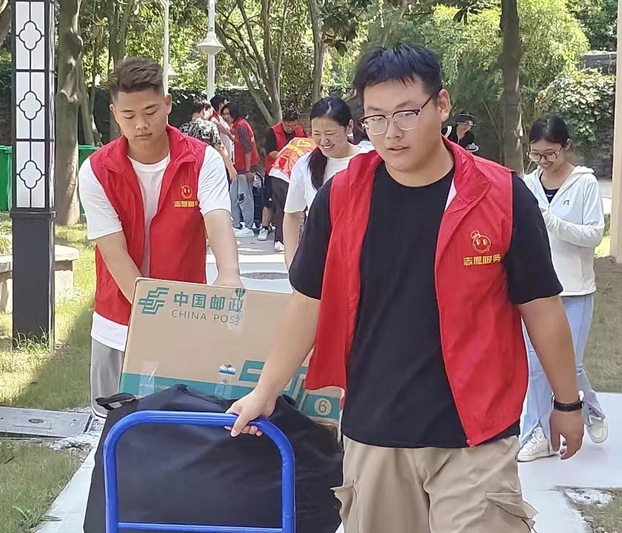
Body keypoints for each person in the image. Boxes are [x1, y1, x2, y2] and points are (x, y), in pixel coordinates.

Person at [227, 43, 585, 533]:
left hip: (476, 434)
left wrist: (567, 403)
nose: (390, 133)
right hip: (376, 430)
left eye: (406, 114)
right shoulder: (341, 197)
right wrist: (265, 391)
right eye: (375, 118)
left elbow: (541, 307)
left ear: (441, 105)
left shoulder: (501, 194)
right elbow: (308, 302)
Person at [78, 57, 242, 420]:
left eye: (150, 111)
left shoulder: (202, 160)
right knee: (113, 429)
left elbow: (217, 219)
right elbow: (114, 253)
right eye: (129, 115)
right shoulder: (96, 171)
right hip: (117, 324)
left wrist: (229, 273)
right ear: (114, 113)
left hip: (185, 318)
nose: (141, 124)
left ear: (167, 104)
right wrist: (153, 319)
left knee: (180, 428)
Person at [518, 114, 608, 462]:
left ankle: (591, 409)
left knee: (571, 366)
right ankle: (537, 433)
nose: (543, 161)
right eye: (537, 154)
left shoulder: (584, 183)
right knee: (537, 367)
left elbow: (594, 235)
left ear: (566, 147)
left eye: (550, 153)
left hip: (575, 289)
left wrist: (552, 221)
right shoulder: (528, 184)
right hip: (537, 290)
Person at [283, 97, 371, 267]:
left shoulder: (370, 160)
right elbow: (292, 215)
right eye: (317, 134)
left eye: (330, 134)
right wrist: (292, 264)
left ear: (349, 127)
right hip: (321, 262)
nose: (323, 141)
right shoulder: (304, 166)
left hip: (364, 261)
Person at [259, 108, 307, 243]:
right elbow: (270, 152)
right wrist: (287, 155)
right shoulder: (273, 132)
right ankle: (265, 227)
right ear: (282, 122)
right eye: (287, 125)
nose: (290, 128)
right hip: (275, 171)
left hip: (293, 172)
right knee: (270, 201)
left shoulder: (300, 132)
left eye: (293, 125)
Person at [267, 136, 317, 254]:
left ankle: (279, 241)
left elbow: (279, 154)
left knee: (281, 209)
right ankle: (300, 242)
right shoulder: (316, 147)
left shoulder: (295, 140)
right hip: (289, 174)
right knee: (296, 210)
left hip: (276, 172)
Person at [222, 101, 260, 238]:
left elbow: (247, 149)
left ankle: (248, 226)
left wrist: (248, 170)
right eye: (224, 114)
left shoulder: (241, 127)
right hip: (238, 167)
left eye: (227, 113)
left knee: (244, 197)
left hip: (244, 168)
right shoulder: (239, 125)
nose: (225, 116)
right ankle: (237, 224)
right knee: (234, 196)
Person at [180, 98, 237, 182]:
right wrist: (230, 168)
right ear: (203, 110)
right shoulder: (209, 126)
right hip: (207, 167)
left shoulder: (182, 128)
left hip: (189, 169)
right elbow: (220, 147)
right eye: (208, 111)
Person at [210, 95, 235, 162]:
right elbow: (219, 126)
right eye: (226, 103)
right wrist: (230, 135)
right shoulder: (214, 118)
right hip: (221, 157)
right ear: (221, 105)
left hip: (228, 155)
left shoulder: (223, 117)